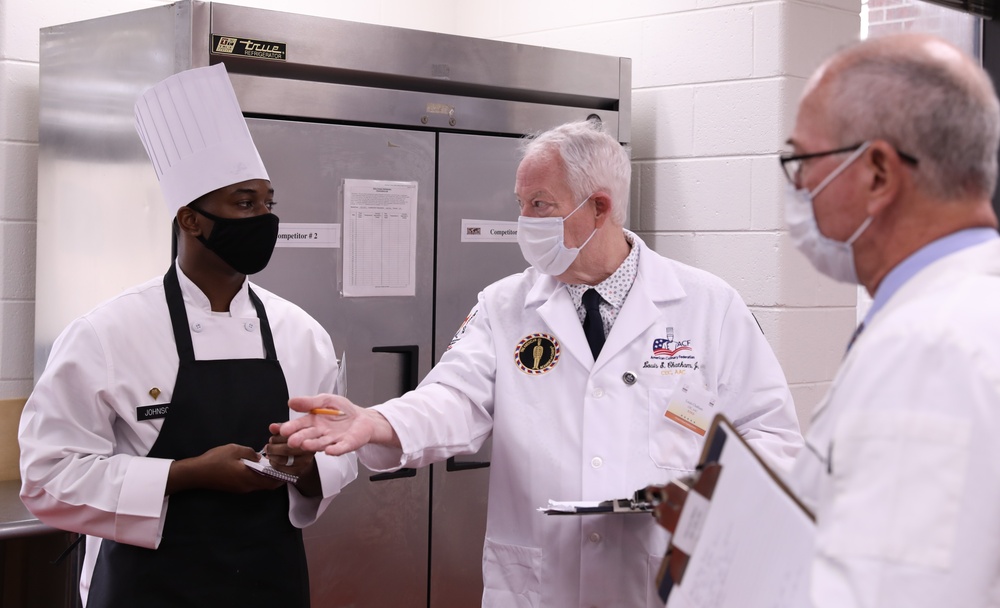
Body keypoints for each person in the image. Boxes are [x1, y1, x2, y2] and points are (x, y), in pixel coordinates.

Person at [280, 120, 802, 607]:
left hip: (661, 580)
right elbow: (454, 399)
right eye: (521, 204)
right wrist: (376, 421)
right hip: (539, 584)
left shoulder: (709, 306)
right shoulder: (504, 306)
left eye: (540, 204)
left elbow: (770, 434)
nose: (524, 222)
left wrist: (705, 497)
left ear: (599, 208)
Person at [18, 63, 358, 607]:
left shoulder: (302, 333)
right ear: (191, 219)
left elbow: (343, 451)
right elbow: (46, 477)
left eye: (268, 203)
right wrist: (183, 474)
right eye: (244, 204)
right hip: (147, 587)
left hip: (269, 582)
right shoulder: (106, 334)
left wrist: (309, 467)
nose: (263, 219)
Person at [778, 33, 1000, 606]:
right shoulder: (967, 310)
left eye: (801, 162)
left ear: (877, 172)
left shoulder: (930, 350)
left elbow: (886, 593)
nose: (797, 189)